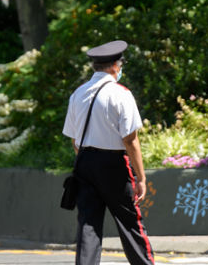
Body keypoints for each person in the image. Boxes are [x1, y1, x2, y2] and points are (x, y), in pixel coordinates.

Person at [62, 40, 154, 265]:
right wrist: (140, 178)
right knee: (130, 222)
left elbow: (75, 140)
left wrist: (89, 161)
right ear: (115, 65)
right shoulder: (121, 93)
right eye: (121, 64)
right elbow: (131, 141)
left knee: (88, 224)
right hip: (113, 164)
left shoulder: (78, 93)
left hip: (83, 162)